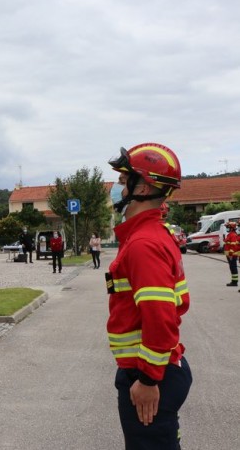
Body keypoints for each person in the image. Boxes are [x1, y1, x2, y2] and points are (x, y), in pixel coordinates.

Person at [107, 143, 192, 448]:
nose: (117, 187)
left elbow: (159, 316)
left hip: (148, 376)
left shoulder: (143, 243)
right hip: (156, 370)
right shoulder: (151, 234)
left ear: (142, 186)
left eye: (122, 180)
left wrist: (147, 380)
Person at [224, 222, 238, 286]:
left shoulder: (233, 235)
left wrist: (230, 254)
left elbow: (233, 246)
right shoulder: (230, 234)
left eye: (228, 227)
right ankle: (234, 281)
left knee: (233, 267)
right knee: (232, 267)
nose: (227, 228)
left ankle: (234, 282)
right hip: (230, 255)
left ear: (231, 228)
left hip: (232, 255)